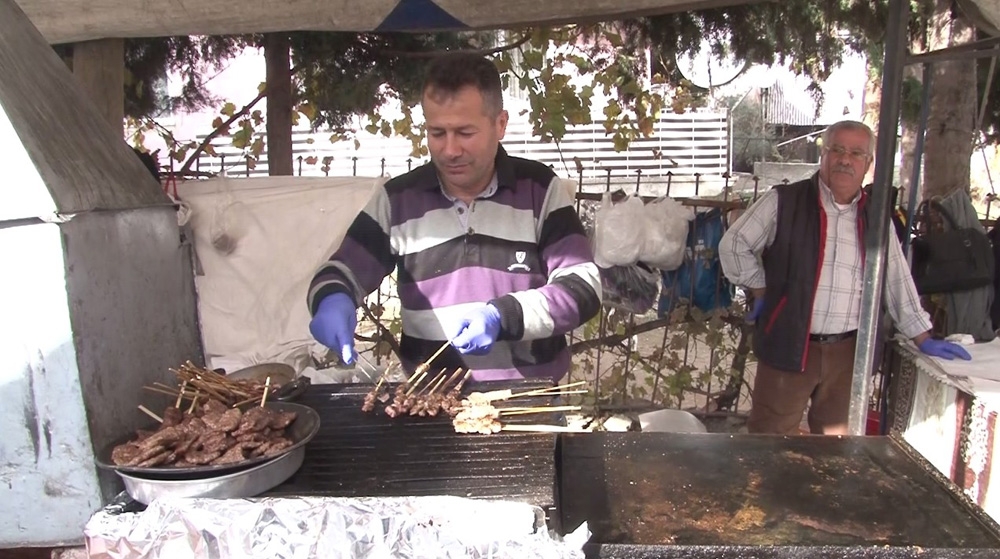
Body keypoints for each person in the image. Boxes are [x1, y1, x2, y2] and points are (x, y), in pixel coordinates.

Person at [306, 52, 602, 381]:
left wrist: (502, 316)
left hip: (529, 398)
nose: (450, 150)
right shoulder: (399, 200)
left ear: (500, 124)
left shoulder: (539, 190)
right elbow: (340, 271)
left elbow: (583, 288)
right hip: (428, 399)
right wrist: (332, 299)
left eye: (464, 133)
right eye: (437, 133)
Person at [719, 119, 972, 435]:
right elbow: (734, 244)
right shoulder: (783, 201)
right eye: (837, 149)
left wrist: (923, 337)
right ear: (823, 154)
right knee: (769, 440)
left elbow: (896, 278)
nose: (845, 159)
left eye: (855, 153)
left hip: (849, 352)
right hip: (789, 342)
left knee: (837, 448)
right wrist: (759, 288)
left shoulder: (875, 217)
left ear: (868, 163)